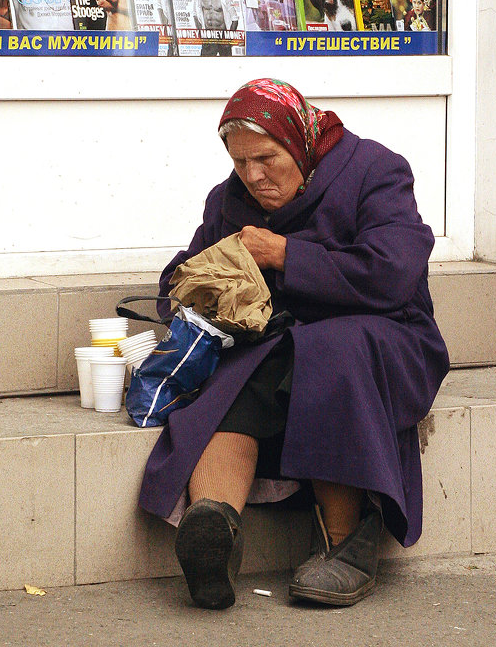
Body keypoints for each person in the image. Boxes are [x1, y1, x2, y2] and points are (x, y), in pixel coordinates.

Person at [139, 78, 449, 609]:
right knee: (233, 379)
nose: (252, 176)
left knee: (330, 353)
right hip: (279, 346)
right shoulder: (229, 199)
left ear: (298, 142)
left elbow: (394, 273)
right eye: (239, 162)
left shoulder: (374, 171)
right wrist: (213, 284)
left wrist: (285, 255)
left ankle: (346, 544)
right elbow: (178, 282)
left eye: (265, 158)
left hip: (386, 337)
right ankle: (216, 532)